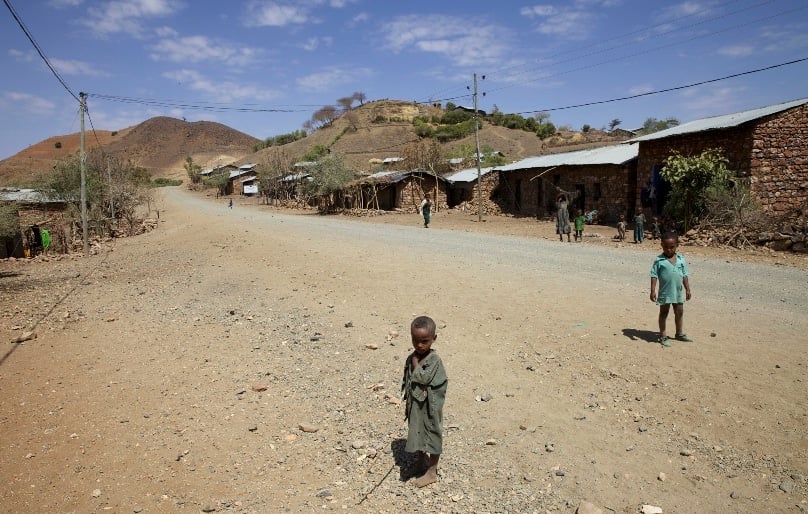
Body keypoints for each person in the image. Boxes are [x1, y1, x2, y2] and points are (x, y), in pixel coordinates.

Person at [402, 315, 447, 487]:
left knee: (433, 432)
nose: (419, 345)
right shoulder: (412, 356)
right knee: (417, 431)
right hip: (416, 404)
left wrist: (415, 363)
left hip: (431, 406)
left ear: (434, 339)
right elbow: (408, 379)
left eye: (425, 341)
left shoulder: (433, 360)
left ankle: (432, 471)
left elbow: (423, 377)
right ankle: (421, 462)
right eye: (415, 340)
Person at [649, 232, 693, 347]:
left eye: (672, 247)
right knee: (664, 313)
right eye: (666, 247)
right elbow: (654, 276)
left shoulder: (680, 259)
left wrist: (687, 289)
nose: (669, 250)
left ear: (677, 245)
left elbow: (684, 275)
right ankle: (663, 335)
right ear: (662, 245)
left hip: (678, 291)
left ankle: (679, 333)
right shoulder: (659, 261)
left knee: (679, 312)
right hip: (665, 292)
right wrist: (652, 290)